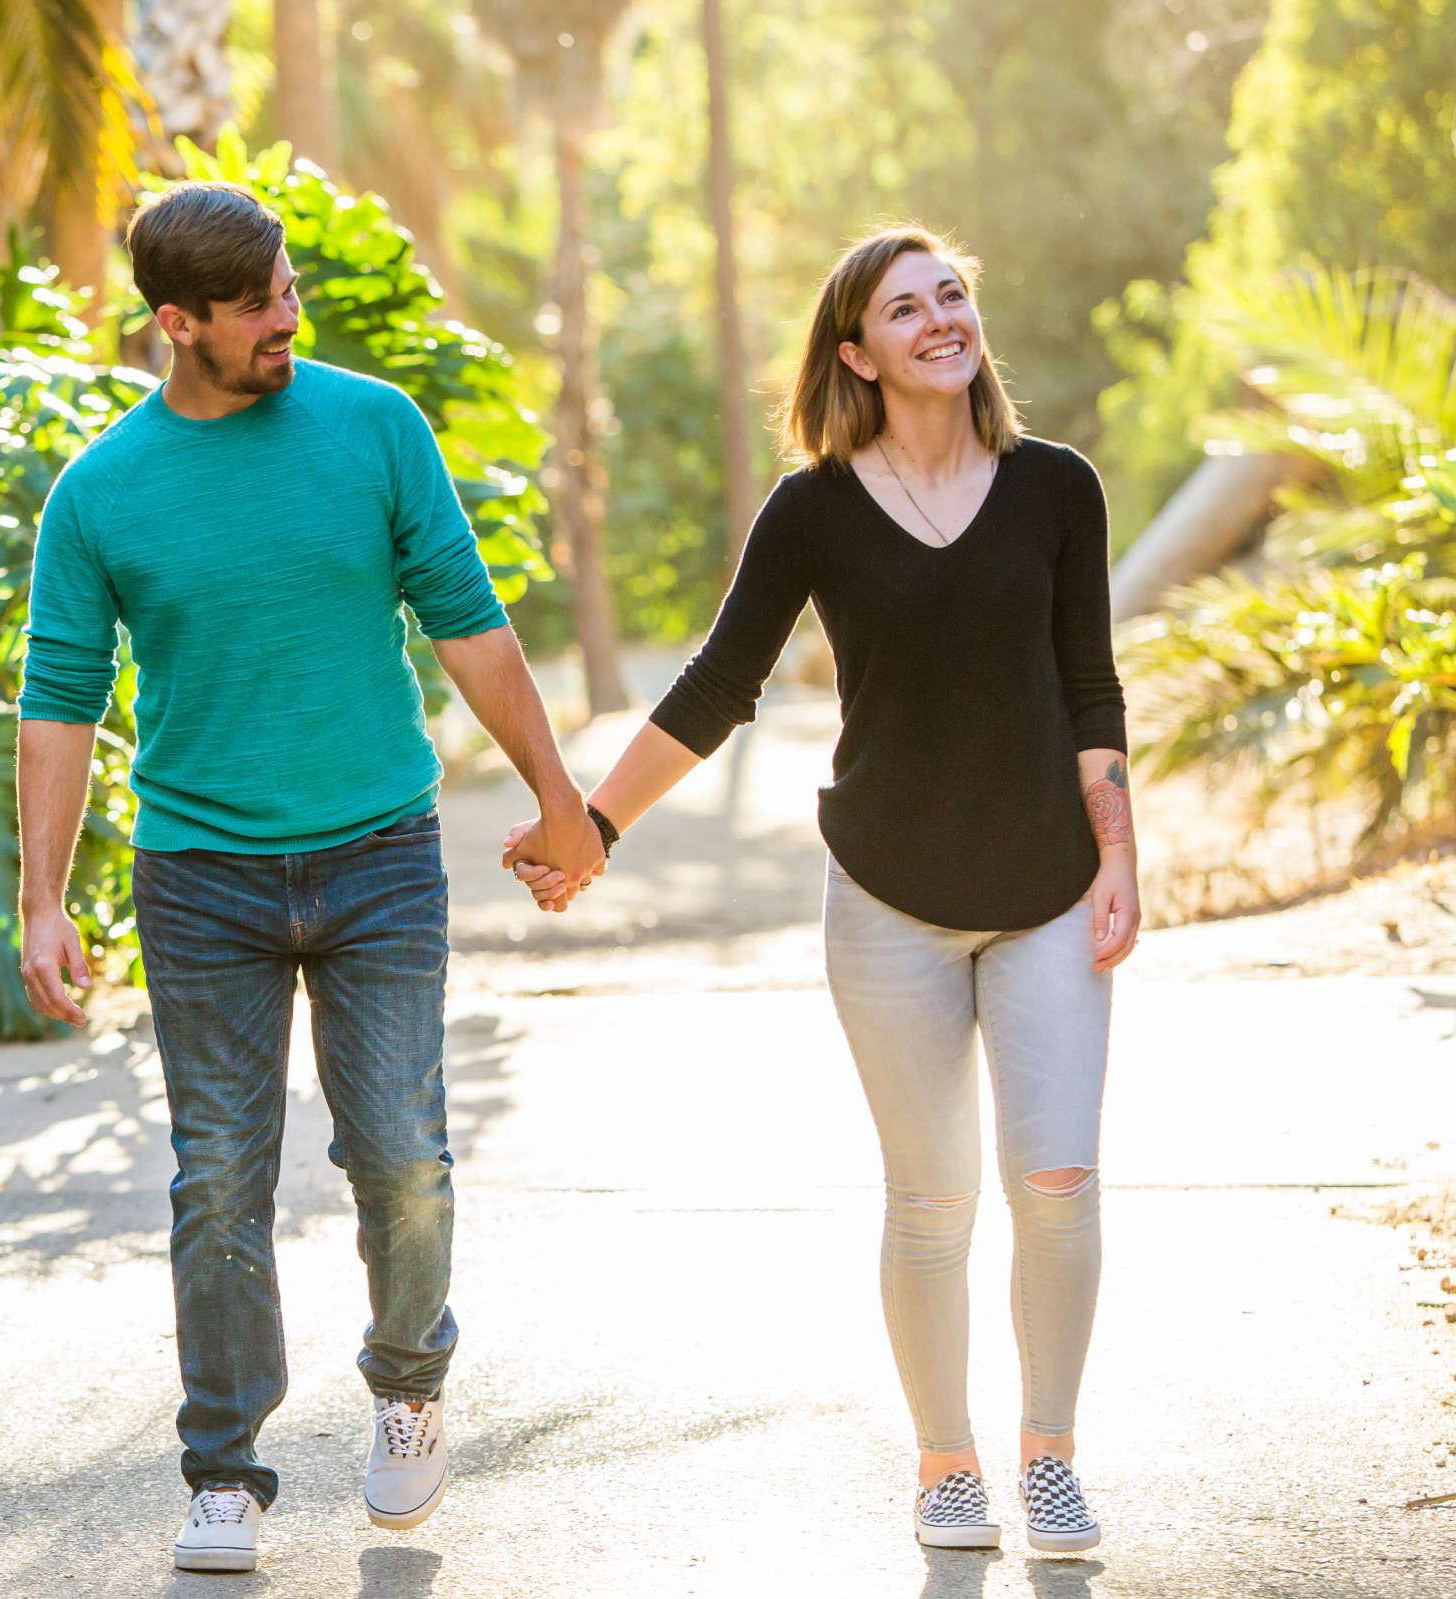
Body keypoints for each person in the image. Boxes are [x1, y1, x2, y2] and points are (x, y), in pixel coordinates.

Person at [508, 226, 1139, 1555]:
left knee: (1061, 1184)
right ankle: (947, 1463)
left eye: (953, 293)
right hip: (890, 902)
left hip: (1048, 890)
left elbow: (1091, 683)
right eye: (904, 308)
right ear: (856, 351)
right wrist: (598, 823)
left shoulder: (1056, 489)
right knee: (932, 1200)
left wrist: (1119, 856)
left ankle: (1052, 1456)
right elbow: (718, 685)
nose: (939, 320)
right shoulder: (813, 511)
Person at [14, 180, 606, 1575]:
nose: (290, 315)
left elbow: (465, 619)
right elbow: (58, 702)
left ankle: (409, 1391)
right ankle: (223, 1471)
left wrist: (559, 796)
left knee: (398, 1152)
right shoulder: (100, 492)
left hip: (379, 852)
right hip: (200, 874)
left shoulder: (374, 427)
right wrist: (42, 896)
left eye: (288, 286)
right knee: (219, 1175)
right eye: (257, 303)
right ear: (178, 322)